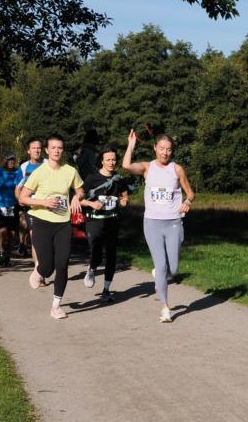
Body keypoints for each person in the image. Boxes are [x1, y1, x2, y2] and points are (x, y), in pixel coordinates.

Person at [122, 129, 195, 323]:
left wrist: (187, 203)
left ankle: (160, 275)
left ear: (172, 151)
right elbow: (126, 166)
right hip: (152, 223)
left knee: (174, 268)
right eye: (161, 148)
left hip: (173, 223)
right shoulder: (148, 168)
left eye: (169, 150)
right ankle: (165, 307)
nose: (165, 153)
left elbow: (190, 193)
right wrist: (131, 145)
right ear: (155, 148)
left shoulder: (177, 169)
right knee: (161, 265)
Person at [18, 134, 83, 319]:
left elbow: (81, 190)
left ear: (63, 150)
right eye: (53, 148)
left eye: (60, 148)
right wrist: (43, 203)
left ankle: (56, 306)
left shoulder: (70, 171)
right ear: (47, 150)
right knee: (48, 267)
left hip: (63, 224)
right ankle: (39, 271)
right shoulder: (38, 172)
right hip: (41, 222)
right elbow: (23, 197)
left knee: (62, 264)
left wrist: (78, 197)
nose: (57, 151)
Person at [81, 144, 130, 300]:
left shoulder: (118, 179)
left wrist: (124, 201)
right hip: (94, 220)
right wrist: (92, 204)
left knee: (111, 255)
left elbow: (124, 195)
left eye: (114, 159)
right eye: (108, 159)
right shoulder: (91, 178)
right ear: (101, 161)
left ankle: (106, 291)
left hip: (112, 221)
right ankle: (92, 268)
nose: (111, 162)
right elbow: (78, 200)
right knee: (96, 250)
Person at [0, 153, 23, 267]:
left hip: (13, 206)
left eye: (13, 160)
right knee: (2, 231)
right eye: (9, 160)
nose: (11, 162)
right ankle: (1, 251)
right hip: (0, 206)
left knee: (12, 233)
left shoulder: (18, 172)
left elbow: (22, 188)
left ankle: (8, 255)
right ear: (5, 161)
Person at [16, 137, 44, 262]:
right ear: (28, 151)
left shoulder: (48, 164)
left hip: (47, 206)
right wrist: (20, 199)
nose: (37, 150)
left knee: (44, 239)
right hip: (30, 205)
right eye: (34, 148)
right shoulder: (24, 167)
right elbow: (18, 187)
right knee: (34, 236)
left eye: (39, 148)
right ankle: (39, 271)